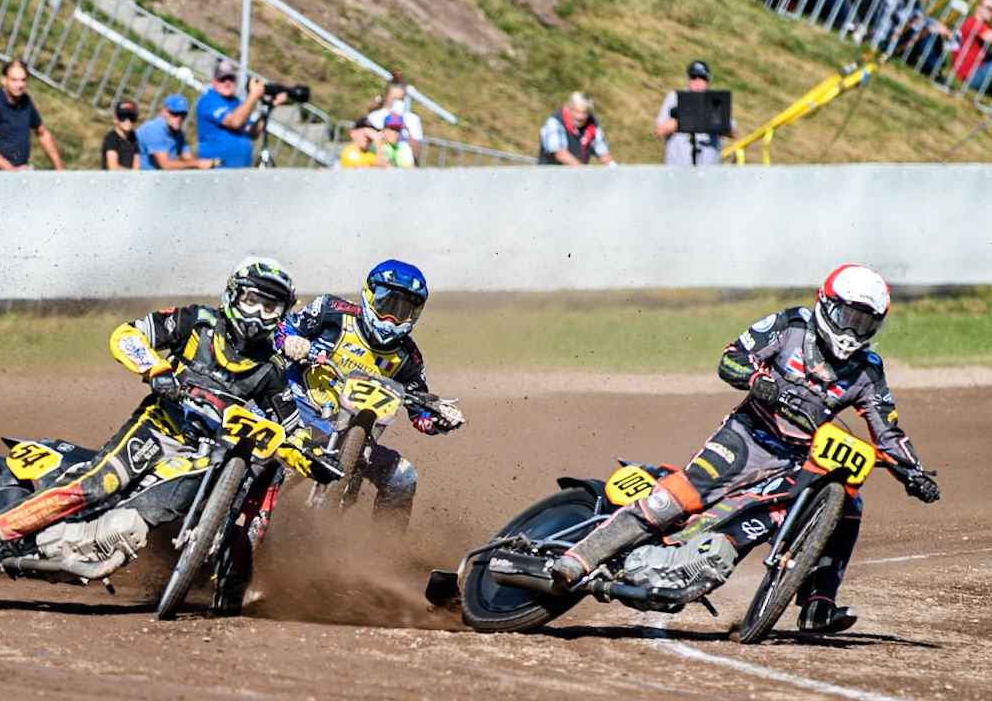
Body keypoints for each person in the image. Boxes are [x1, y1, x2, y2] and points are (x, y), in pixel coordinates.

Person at [547, 265, 941, 634]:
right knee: (682, 496)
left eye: (866, 322)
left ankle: (818, 604)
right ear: (826, 306)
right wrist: (757, 380)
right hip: (745, 436)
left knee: (848, 504)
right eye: (849, 317)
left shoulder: (868, 370)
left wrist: (915, 474)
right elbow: (731, 358)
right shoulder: (789, 325)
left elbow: (887, 432)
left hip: (794, 459)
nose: (855, 330)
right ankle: (580, 557)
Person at [0, 259, 335, 568]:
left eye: (270, 307)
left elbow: (291, 430)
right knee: (96, 484)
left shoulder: (271, 368)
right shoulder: (196, 321)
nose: (258, 313)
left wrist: (312, 459)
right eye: (252, 300)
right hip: (157, 427)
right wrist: (156, 370)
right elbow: (126, 335)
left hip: (199, 455)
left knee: (150, 515)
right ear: (233, 295)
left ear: (282, 314)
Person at [275, 261, 464, 529]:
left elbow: (420, 411)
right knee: (254, 435)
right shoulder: (332, 311)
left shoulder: (408, 359)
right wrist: (290, 342)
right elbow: (282, 327)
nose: (391, 318)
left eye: (403, 311)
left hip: (353, 438)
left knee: (403, 477)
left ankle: (384, 551)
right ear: (369, 294)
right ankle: (218, 498)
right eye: (387, 304)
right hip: (296, 405)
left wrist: (441, 418)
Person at [196, 59, 287, 169]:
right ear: (214, 81)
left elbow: (253, 132)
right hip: (218, 172)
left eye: (231, 78)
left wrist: (271, 105)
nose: (227, 82)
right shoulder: (208, 100)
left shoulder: (236, 102)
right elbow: (235, 122)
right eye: (222, 79)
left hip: (240, 171)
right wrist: (254, 95)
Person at [0, 59, 61, 170]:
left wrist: (61, 172)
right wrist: (12, 172)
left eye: (23, 80)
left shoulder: (26, 102)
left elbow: (43, 134)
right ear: (3, 80)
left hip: (17, 176)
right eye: (14, 80)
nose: (19, 85)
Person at [656, 61, 737, 166]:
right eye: (694, 77)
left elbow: (732, 132)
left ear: (708, 80)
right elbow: (660, 131)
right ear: (688, 79)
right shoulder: (674, 98)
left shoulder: (715, 101)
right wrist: (686, 119)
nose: (698, 81)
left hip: (709, 169)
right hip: (679, 167)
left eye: (702, 78)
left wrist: (712, 120)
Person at [135, 94, 216, 170]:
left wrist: (205, 163)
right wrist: (197, 164)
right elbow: (165, 165)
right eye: (175, 113)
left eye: (183, 114)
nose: (179, 118)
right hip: (138, 177)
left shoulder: (178, 132)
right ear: (164, 112)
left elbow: (187, 158)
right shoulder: (153, 129)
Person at [538, 92, 614, 166]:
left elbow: (603, 154)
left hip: (577, 176)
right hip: (551, 176)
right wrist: (584, 172)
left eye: (584, 113)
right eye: (576, 111)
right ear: (569, 108)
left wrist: (615, 170)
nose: (580, 117)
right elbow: (560, 154)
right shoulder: (554, 122)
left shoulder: (592, 124)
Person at [364, 79, 424, 164]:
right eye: (394, 98)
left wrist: (406, 129)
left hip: (406, 166)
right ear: (386, 95)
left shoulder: (413, 119)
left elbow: (417, 154)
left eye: (401, 99)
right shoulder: (374, 117)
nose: (398, 102)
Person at [955, 0, 992, 95]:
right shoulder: (974, 23)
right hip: (969, 75)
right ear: (979, 7)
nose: (991, 12)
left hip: (978, 69)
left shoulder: (983, 25)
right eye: (989, 9)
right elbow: (989, 37)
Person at [101, 99, 141, 170]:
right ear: (115, 119)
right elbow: (113, 167)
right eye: (123, 117)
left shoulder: (133, 136)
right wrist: (132, 174)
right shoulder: (111, 138)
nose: (127, 121)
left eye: (132, 118)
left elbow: (136, 165)